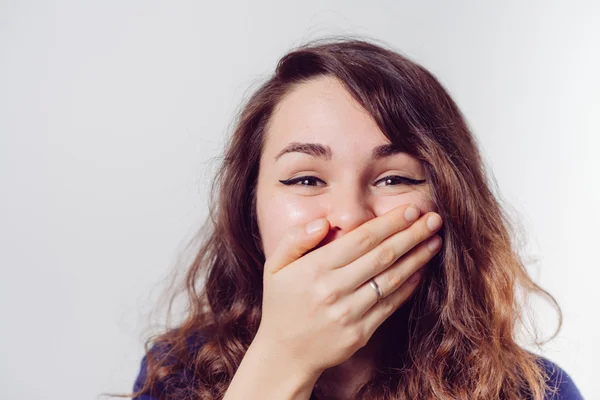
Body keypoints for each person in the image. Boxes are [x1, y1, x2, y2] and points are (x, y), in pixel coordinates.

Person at [122, 37, 584, 399]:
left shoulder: (537, 391)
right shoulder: (177, 373)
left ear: (451, 203)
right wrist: (283, 360)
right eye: (305, 180)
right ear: (251, 208)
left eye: (394, 179)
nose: (350, 217)